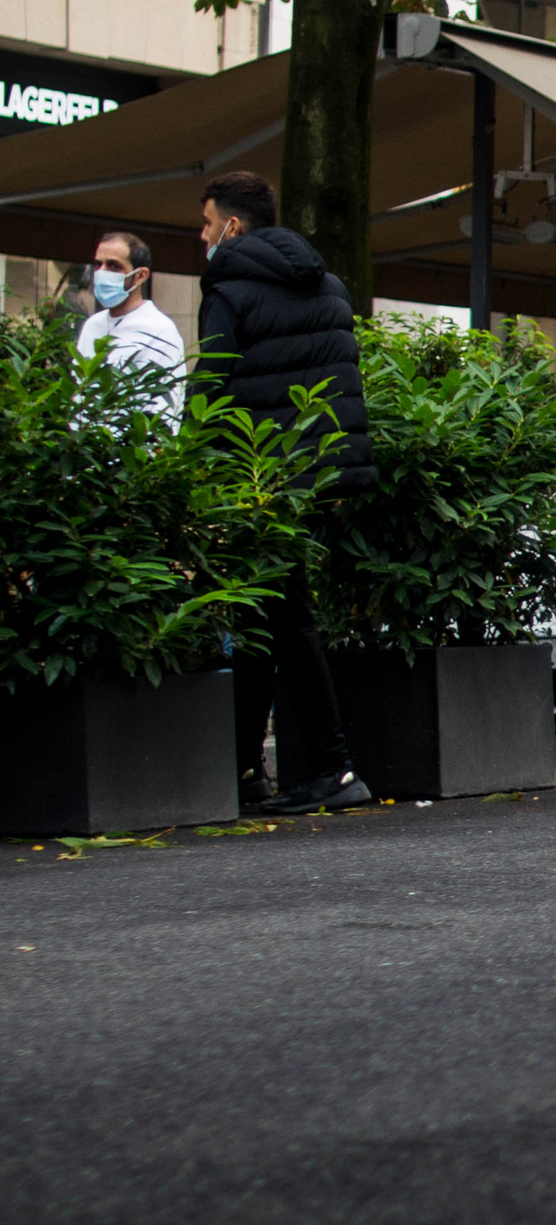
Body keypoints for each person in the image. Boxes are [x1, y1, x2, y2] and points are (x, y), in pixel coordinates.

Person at [194, 171, 376, 815]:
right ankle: (248, 770)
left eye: (208, 221)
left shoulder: (228, 289)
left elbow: (210, 389)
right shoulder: (327, 284)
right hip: (317, 477)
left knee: (283, 623)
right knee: (264, 621)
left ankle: (331, 766)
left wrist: (196, 474)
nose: (203, 234)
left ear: (233, 227)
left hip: (257, 478)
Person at [75, 231, 185, 425]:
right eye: (98, 264)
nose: (101, 272)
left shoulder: (160, 330)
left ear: (140, 276)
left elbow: (163, 409)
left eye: (114, 266)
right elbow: (78, 393)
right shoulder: (92, 326)